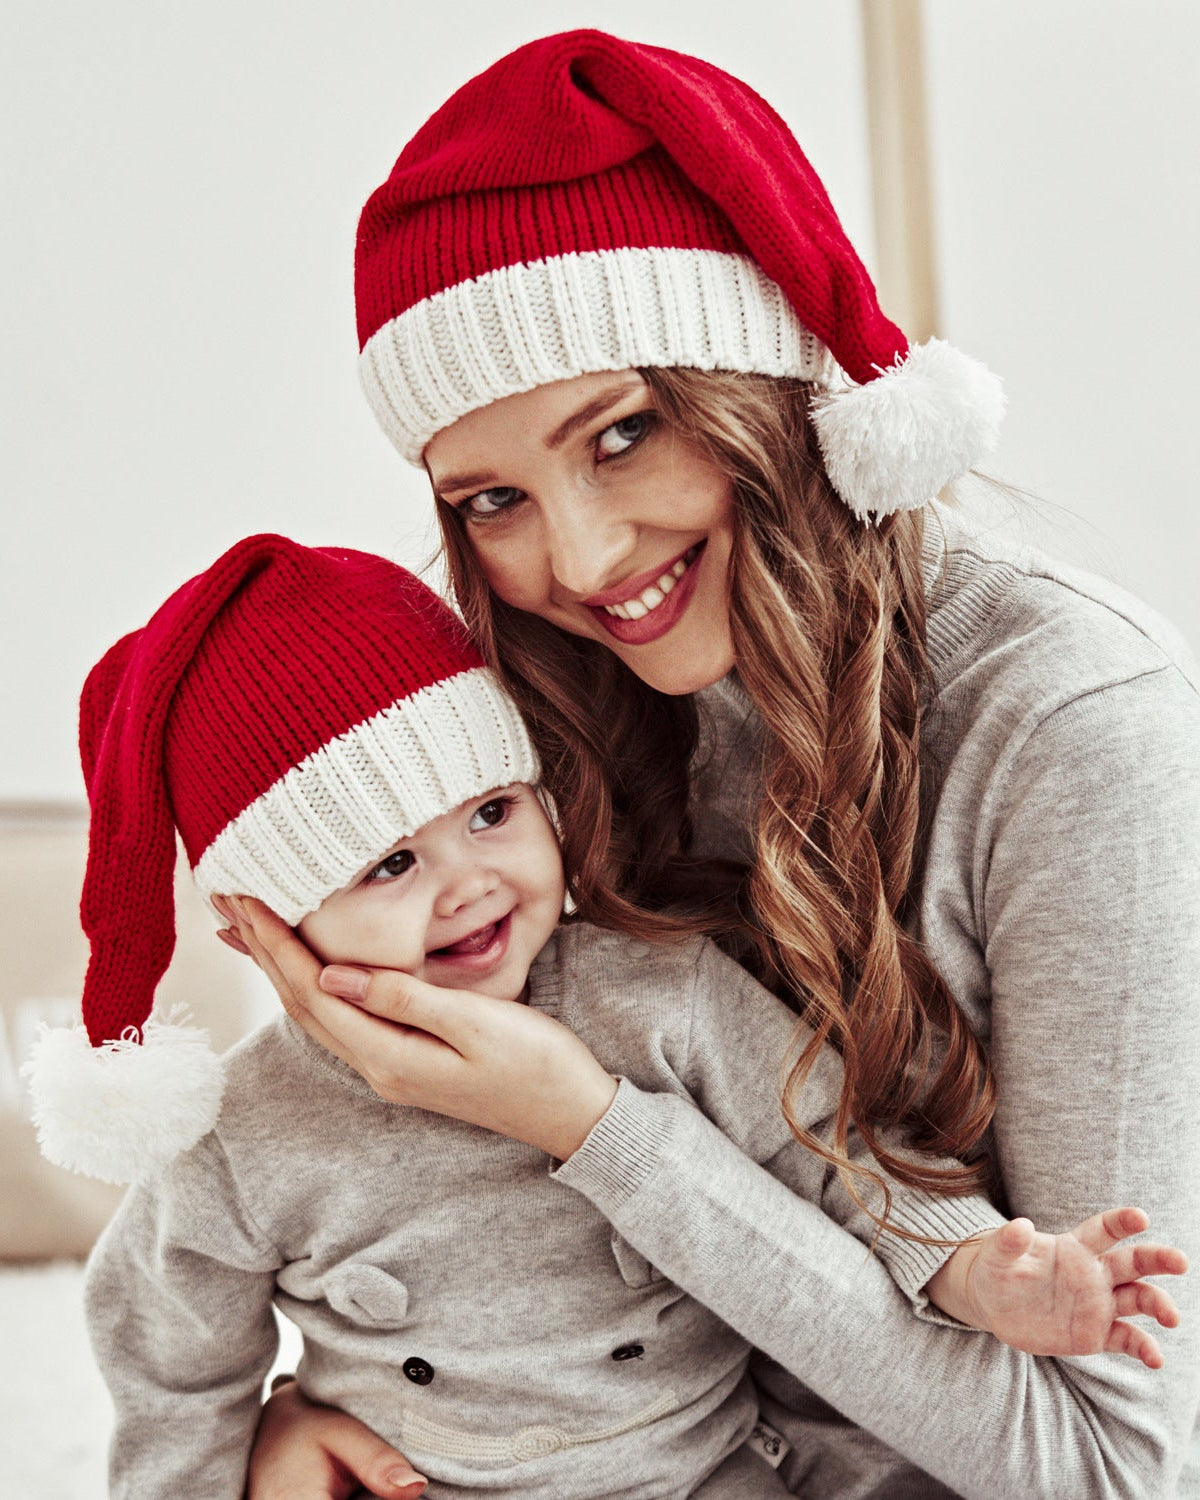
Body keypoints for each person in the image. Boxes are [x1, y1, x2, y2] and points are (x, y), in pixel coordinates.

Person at [215, 30, 1198, 1499]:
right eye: (492, 498)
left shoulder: (1071, 724)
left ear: (769, 383)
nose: (580, 559)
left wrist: (598, 1132)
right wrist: (309, 1411)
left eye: (624, 432)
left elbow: (1114, 1468)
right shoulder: (554, 719)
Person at [24, 535, 1181, 1499]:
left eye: (489, 811)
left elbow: (838, 1155)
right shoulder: (246, 1131)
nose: (466, 881)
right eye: (386, 865)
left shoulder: (655, 995)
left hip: (713, 1473)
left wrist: (980, 1274)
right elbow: (168, 1363)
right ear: (262, 930)